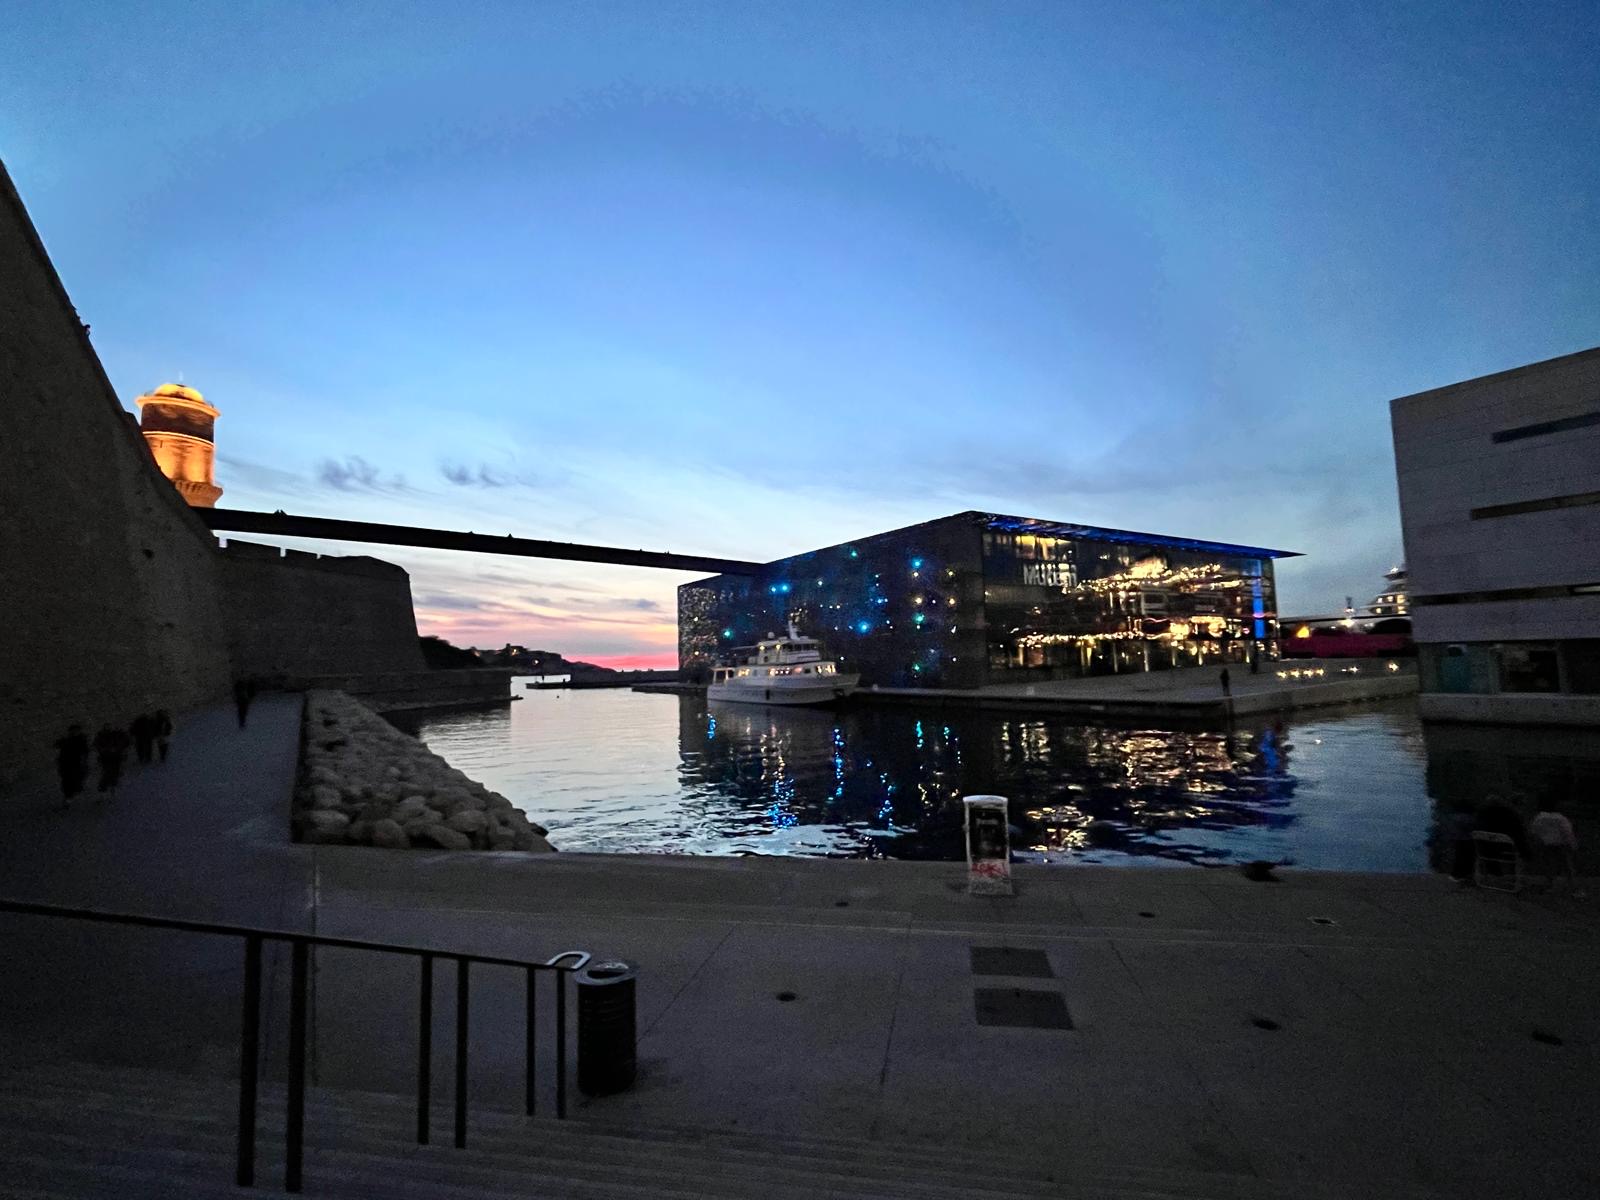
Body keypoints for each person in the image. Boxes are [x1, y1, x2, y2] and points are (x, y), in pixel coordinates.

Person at [1528, 801, 1579, 893]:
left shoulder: (1539, 818)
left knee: (1550, 864)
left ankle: (1551, 884)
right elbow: (1567, 832)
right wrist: (1572, 844)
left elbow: (1534, 831)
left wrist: (1538, 841)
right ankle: (1572, 884)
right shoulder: (1560, 818)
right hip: (1561, 844)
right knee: (1567, 865)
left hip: (1547, 844)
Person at [55, 724, 90, 806]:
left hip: (76, 764)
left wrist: (83, 761)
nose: (75, 732)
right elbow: (57, 745)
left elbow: (85, 751)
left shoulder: (81, 740)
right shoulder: (67, 739)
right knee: (66, 781)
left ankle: (70, 796)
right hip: (66, 764)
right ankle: (67, 797)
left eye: (77, 731)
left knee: (76, 780)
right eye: (73, 730)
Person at [93, 723, 130, 798]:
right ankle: (103, 789)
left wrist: (118, 749)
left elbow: (122, 742)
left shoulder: (114, 735)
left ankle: (112, 787)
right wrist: (102, 750)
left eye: (109, 726)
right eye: (107, 727)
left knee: (115, 772)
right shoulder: (101, 735)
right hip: (106, 757)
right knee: (106, 773)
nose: (108, 728)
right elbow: (96, 744)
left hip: (115, 757)